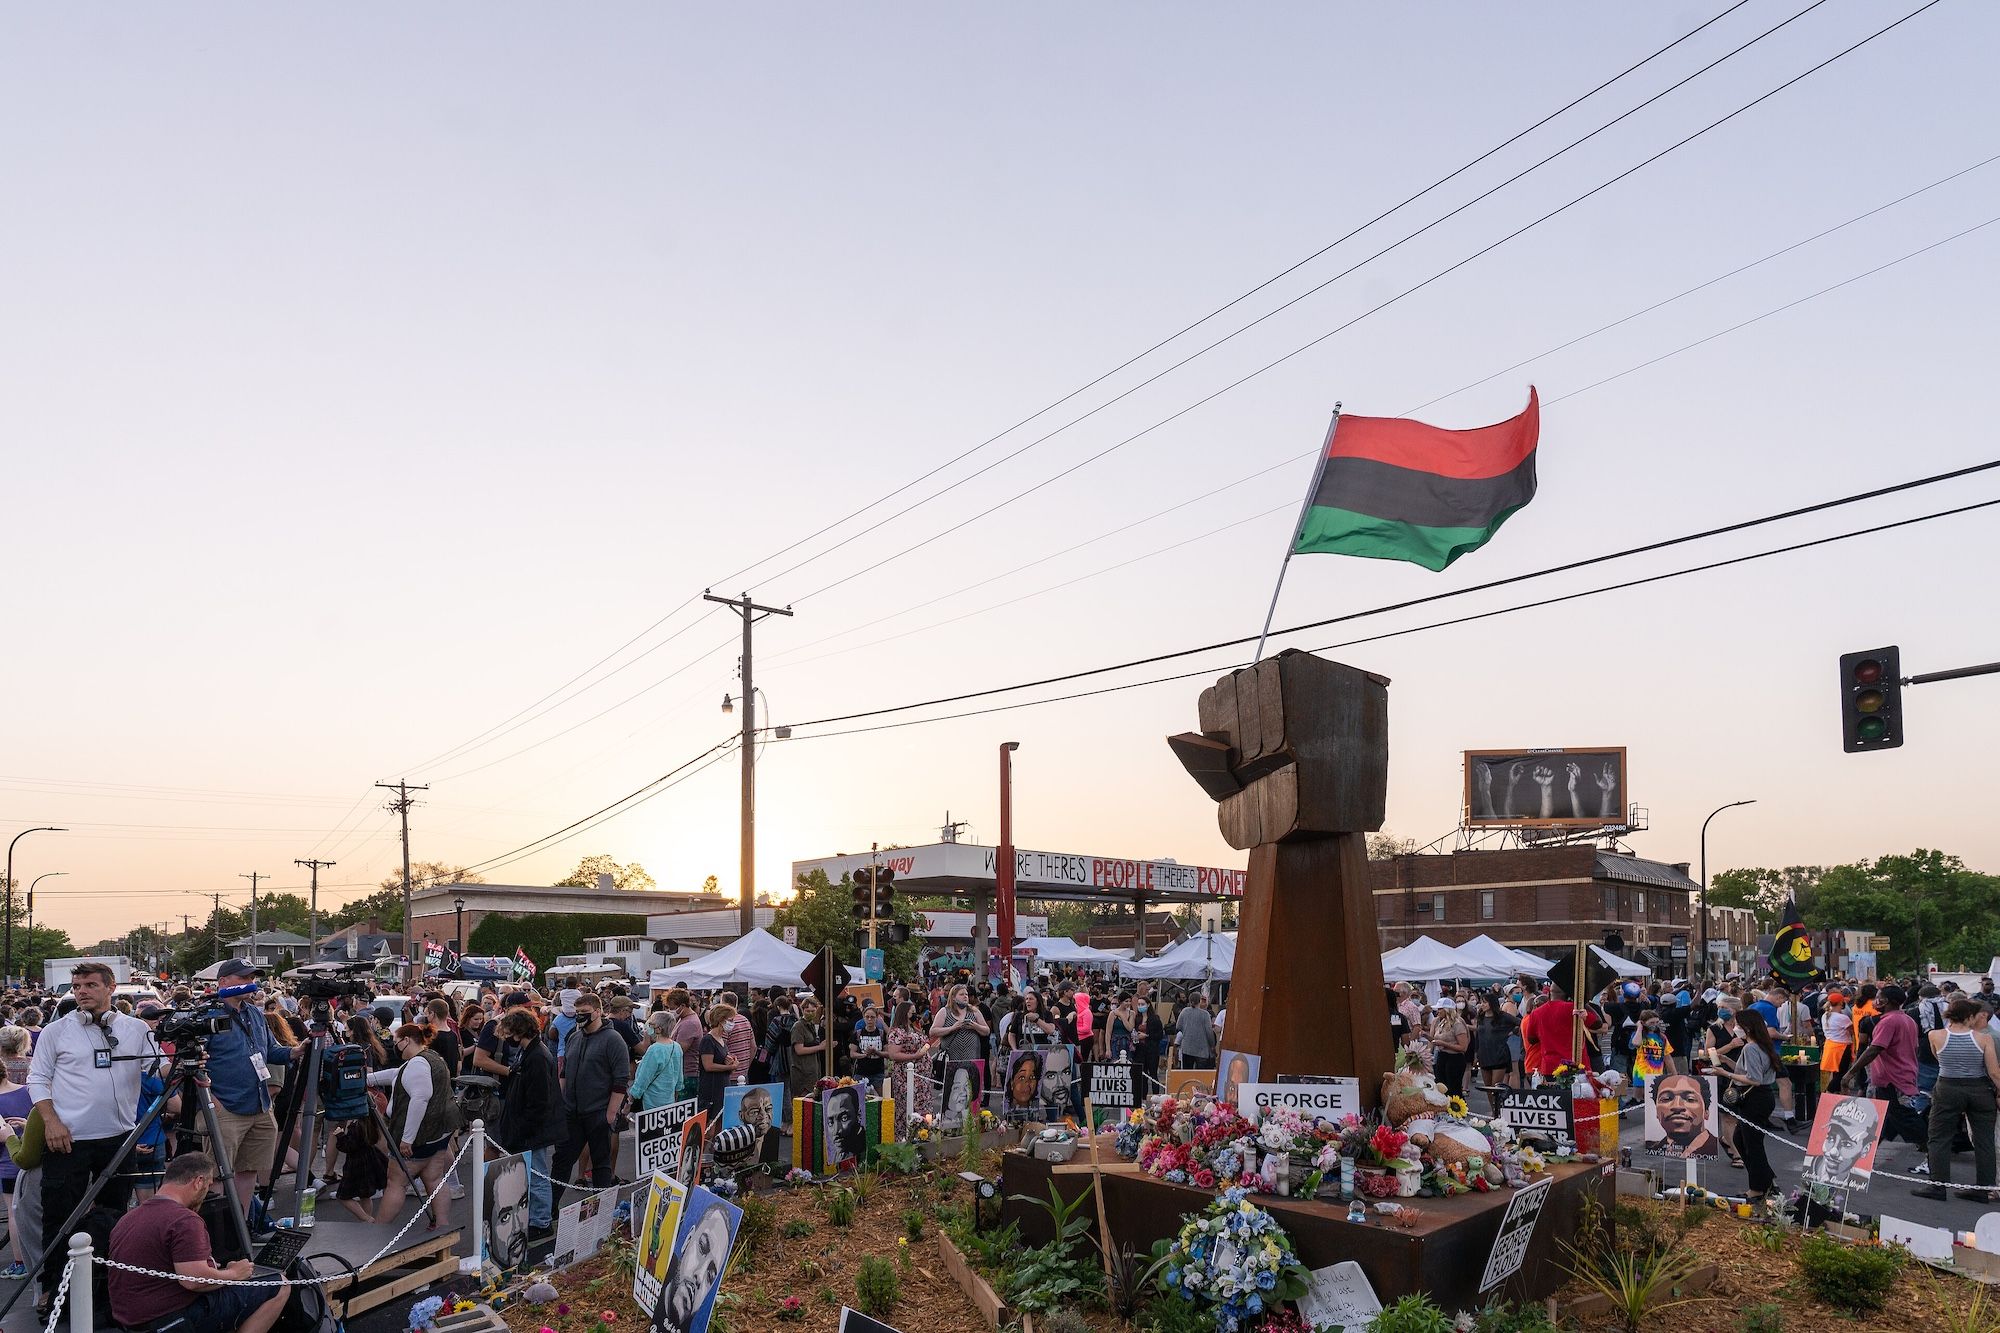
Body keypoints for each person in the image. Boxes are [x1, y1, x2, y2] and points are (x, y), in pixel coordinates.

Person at [29, 962, 153, 1310]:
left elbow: (155, 1067)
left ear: (110, 987)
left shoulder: (135, 1028)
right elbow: (37, 1080)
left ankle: (107, 1286)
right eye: (77, 985)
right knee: (59, 1215)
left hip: (119, 1138)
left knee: (114, 1214)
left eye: (90, 985)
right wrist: (51, 1122)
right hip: (69, 1139)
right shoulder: (57, 1031)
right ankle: (52, 1287)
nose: (81, 991)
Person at [107, 1153, 291, 1333]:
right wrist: (235, 1273)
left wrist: (218, 1271)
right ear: (198, 1182)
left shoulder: (128, 1218)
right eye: (208, 1185)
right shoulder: (183, 1219)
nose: (206, 1193)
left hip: (131, 1319)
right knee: (279, 1284)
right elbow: (193, 1281)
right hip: (171, 1318)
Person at [199, 960, 302, 1210]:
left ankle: (241, 1231)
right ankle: (218, 1233)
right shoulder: (207, 1014)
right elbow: (193, 1062)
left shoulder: (255, 1012)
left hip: (259, 1104)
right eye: (243, 978)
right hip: (227, 1106)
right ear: (223, 982)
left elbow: (270, 1051)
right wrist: (213, 1101)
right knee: (217, 1174)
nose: (250, 983)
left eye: (252, 978)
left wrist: (296, 1052)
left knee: (249, 1170)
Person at [1910, 998, 2000, 1201]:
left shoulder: (1935, 1035)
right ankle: (1983, 1188)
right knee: (1984, 1140)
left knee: (1939, 1137)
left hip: (1948, 1087)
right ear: (1969, 1016)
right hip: (1979, 1089)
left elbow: (1937, 1058)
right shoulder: (1984, 1039)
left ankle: (1938, 1185)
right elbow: (1994, 1072)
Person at [550, 993, 632, 1203]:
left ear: (598, 1012)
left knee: (601, 1163)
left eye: (584, 1013)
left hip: (598, 1112)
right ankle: (548, 1211)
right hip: (572, 1112)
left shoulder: (613, 1040)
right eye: (577, 1013)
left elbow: (621, 1079)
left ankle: (601, 1213)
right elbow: (564, 1072)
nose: (580, 1017)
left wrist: (610, 1113)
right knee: (561, 1160)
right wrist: (560, 1103)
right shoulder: (574, 1037)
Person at [494, 1009, 565, 1240]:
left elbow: (539, 1101)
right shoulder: (532, 1052)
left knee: (538, 1177)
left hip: (532, 1131)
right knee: (535, 1176)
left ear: (517, 1031)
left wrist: (523, 1130)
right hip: (529, 1129)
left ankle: (541, 1221)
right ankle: (538, 1218)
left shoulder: (536, 1056)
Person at [1844, 984, 1925, 1145]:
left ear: (1886, 1001)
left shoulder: (1888, 1021)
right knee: (1882, 1118)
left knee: (1904, 1118)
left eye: (1878, 997)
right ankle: (1865, 1151)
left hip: (1892, 1079)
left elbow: (1874, 1049)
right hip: (1901, 1075)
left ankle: (1932, 1149)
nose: (1875, 1001)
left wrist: (1851, 1072)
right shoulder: (1908, 1019)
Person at [1718, 1009, 1782, 1200]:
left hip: (1755, 1097)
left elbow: (1753, 1078)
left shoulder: (1751, 1048)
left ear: (1746, 1027)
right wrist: (1727, 1061)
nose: (1735, 1027)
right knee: (1742, 1140)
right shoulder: (1762, 1045)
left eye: (1738, 1024)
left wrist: (1725, 1074)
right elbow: (1746, 1070)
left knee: (1752, 1144)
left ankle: (1757, 1187)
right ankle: (1766, 1180)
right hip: (1762, 1097)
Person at [656, 1192, 734, 1333]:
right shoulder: (655, 1284)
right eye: (703, 1247)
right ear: (688, 1240)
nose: (700, 1275)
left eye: (711, 1275)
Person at [0, 1027, 36, 1277]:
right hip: (32, 1149)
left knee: (14, 1210)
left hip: (8, 1159)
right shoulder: (32, 1075)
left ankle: (20, 1261)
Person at [883, 1002, 935, 1136]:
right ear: (904, 1013)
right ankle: (907, 1135)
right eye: (912, 1012)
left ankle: (923, 1133)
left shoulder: (913, 1028)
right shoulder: (897, 1032)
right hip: (906, 1076)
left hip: (922, 1078)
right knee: (909, 1105)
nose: (915, 1015)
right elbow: (893, 1054)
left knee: (923, 1107)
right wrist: (915, 1056)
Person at [1646, 1073, 1721, 1159]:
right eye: (1666, 1099)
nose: (1677, 1106)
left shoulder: (1712, 1148)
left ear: (1706, 1111)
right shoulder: (1653, 1148)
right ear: (1656, 1111)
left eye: (1690, 1099)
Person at [630, 1012, 688, 1111]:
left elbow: (643, 1079)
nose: (648, 1027)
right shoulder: (676, 1047)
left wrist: (630, 1100)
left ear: (659, 1029)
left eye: (650, 1024)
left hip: (651, 1103)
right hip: (669, 1101)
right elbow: (679, 1078)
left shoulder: (654, 1050)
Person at [695, 1004, 736, 1121]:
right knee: (710, 1127)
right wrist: (729, 1067)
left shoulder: (721, 1039)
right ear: (721, 1019)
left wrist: (731, 1065)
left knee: (719, 1125)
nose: (732, 1023)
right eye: (730, 1020)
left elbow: (724, 1065)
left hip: (722, 1088)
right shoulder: (708, 1040)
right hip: (711, 1090)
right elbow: (708, 1066)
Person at [787, 1000, 828, 1103]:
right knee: (804, 1103)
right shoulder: (798, 1026)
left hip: (812, 1072)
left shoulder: (811, 1024)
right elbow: (799, 1050)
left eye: (813, 1011)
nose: (810, 1013)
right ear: (802, 1010)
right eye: (807, 1011)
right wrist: (820, 1047)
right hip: (802, 1073)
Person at [822, 1083, 866, 1166]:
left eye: (844, 1118)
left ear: (858, 1116)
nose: (836, 1130)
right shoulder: (838, 1154)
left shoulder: (865, 1150)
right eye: (830, 1122)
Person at [849, 1003, 889, 1092]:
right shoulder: (858, 1033)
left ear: (877, 1018)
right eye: (867, 1017)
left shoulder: (882, 1033)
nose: (869, 1019)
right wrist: (864, 1055)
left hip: (877, 1072)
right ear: (863, 1017)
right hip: (861, 1072)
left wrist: (877, 1052)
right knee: (860, 1099)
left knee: (879, 1099)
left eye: (872, 1017)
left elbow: (888, 1054)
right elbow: (852, 1053)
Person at [1174, 993, 1217, 1071]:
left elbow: (1178, 1027)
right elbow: (1209, 1032)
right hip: (1202, 1049)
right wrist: (1212, 1046)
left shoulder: (1184, 1011)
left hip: (1187, 1047)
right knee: (1201, 1074)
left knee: (1187, 1073)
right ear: (1199, 1001)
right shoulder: (1205, 1014)